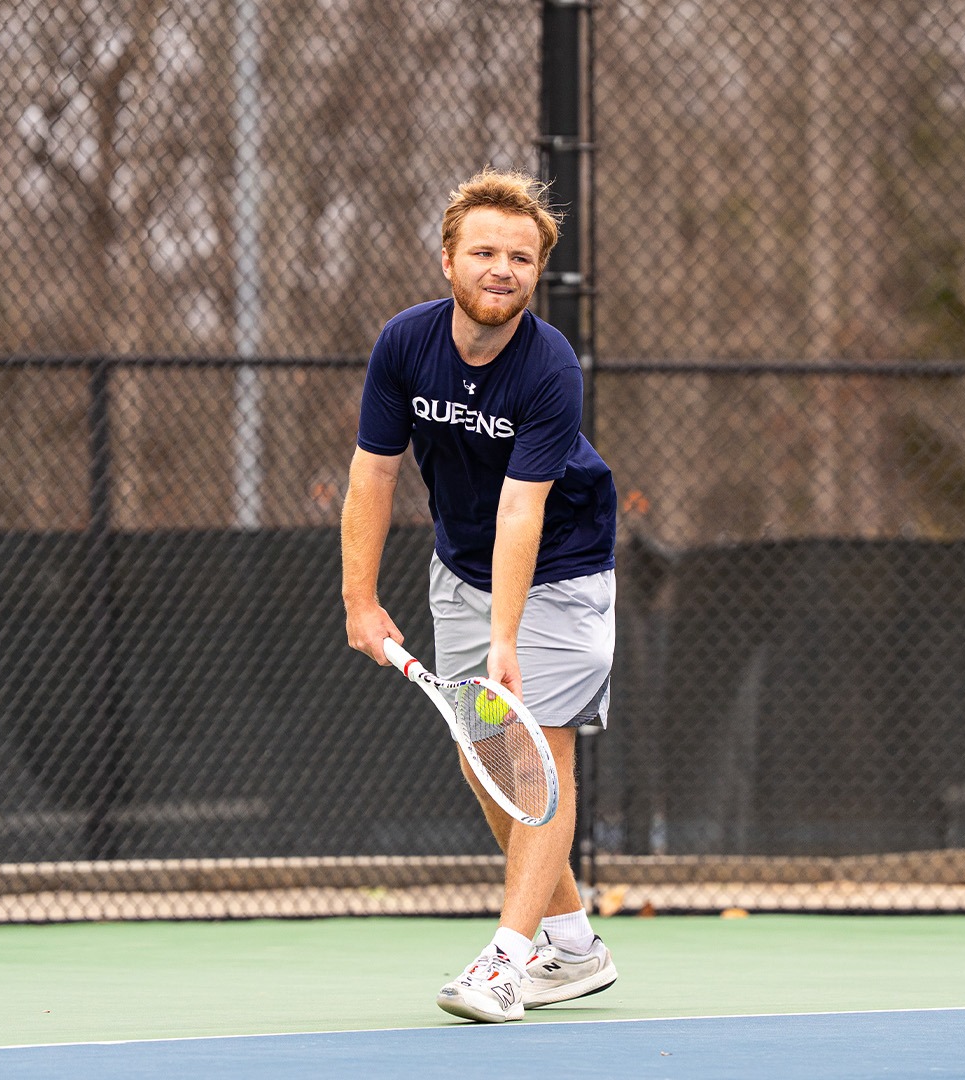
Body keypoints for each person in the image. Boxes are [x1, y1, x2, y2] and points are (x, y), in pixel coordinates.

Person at [341, 166, 619, 1023]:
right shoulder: (404, 344)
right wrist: (359, 599)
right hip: (461, 565)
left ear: (538, 273)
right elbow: (373, 475)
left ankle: (509, 961)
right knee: (487, 763)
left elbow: (521, 508)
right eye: (486, 252)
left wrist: (507, 641)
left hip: (562, 568)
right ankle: (575, 946)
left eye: (523, 258)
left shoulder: (550, 366)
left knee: (538, 761)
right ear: (449, 261)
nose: (504, 269)